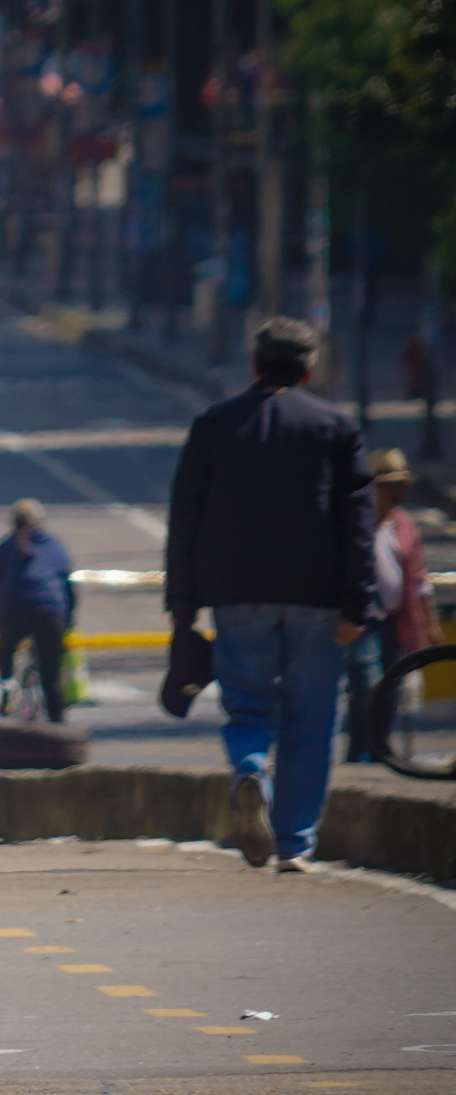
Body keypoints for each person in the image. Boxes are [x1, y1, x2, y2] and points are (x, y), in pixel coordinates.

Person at [165, 316, 378, 873]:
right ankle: (294, 843)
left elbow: (185, 513)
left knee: (247, 701)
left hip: (236, 593)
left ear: (255, 365)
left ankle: (250, 768)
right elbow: (358, 520)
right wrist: (360, 601)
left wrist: (183, 602)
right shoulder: (336, 427)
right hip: (320, 596)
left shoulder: (215, 424)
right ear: (309, 371)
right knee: (312, 718)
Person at [346, 449, 435, 760]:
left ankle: (378, 750)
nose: (398, 491)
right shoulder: (357, 523)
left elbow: (418, 578)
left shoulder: (404, 525)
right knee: (368, 687)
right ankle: (360, 753)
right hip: (362, 617)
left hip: (393, 619)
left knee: (392, 690)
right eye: (390, 485)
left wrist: (429, 625)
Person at [0, 498, 77, 722]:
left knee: (5, 650)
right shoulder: (54, 545)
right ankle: (57, 721)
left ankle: (7, 684)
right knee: (50, 675)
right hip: (50, 613)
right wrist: (68, 619)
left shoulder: (4, 547)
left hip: (12, 612)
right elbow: (67, 585)